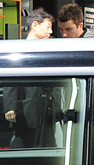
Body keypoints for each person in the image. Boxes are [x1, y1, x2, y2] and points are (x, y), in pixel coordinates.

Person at [4, 9, 57, 146]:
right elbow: (10, 78)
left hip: (48, 110)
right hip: (26, 110)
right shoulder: (19, 50)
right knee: (26, 143)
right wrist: (10, 107)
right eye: (48, 27)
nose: (50, 32)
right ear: (35, 25)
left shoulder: (52, 48)